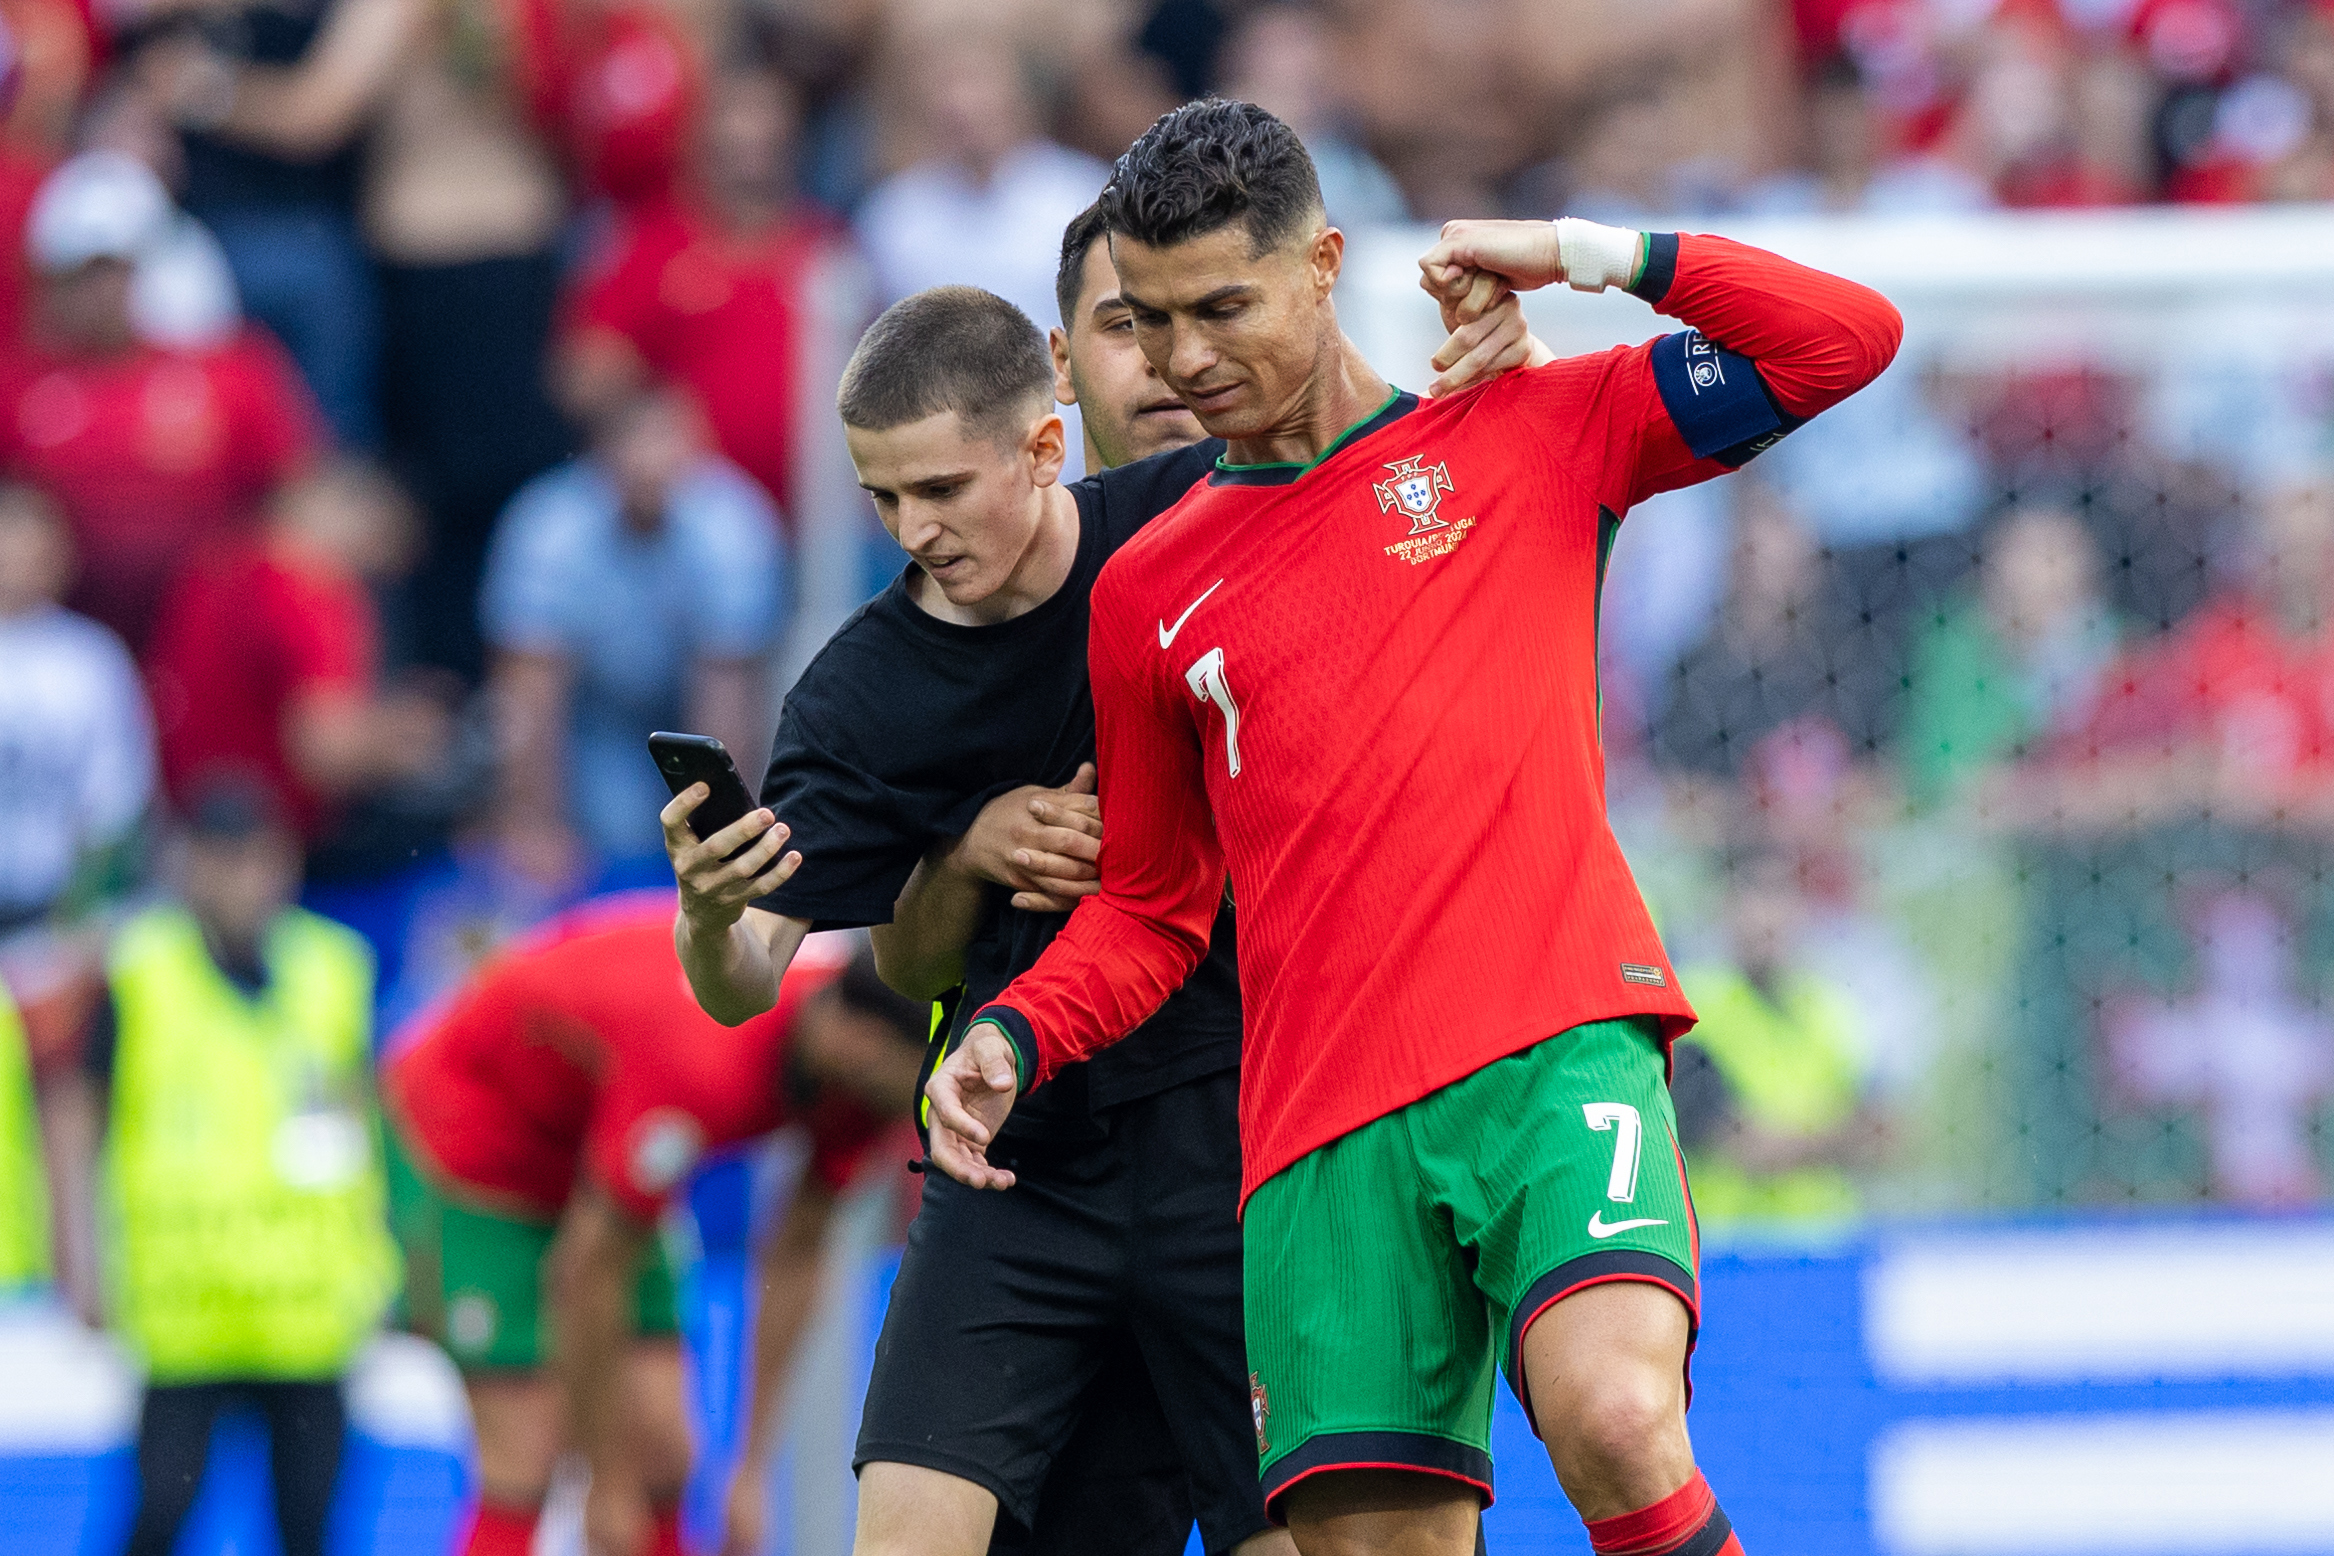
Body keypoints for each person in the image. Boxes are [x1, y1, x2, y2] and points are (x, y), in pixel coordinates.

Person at [921, 100, 1899, 1555]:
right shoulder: (1144, 593)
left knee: (1618, 1417)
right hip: (1317, 1141)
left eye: (1223, 308)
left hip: (1550, 1044)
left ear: (1323, 265)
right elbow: (1150, 904)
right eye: (1151, 318)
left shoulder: (1531, 429)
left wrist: (1583, 252)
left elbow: (1842, 339)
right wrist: (1013, 1031)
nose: (1186, 360)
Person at [658, 232, 1547, 1552]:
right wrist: (714, 908)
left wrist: (1503, 372)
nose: (915, 530)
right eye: (882, 497)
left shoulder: (1197, 524)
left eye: (942, 488)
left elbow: (1424, 496)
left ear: (1040, 440)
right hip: (1021, 1163)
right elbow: (740, 991)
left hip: (1247, 1139)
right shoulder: (854, 695)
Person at [380, 899, 927, 1556]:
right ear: (861, 1044)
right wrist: (602, 1480)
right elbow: (586, 1268)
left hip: (601, 1157)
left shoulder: (861, 1078)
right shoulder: (705, 1059)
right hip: (472, 1143)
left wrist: (749, 1470)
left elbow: (796, 1255)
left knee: (665, 1452)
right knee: (525, 1461)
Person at [75, 781, 396, 1556]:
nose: (243, 880)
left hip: (309, 1312)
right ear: (188, 867)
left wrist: (389, 1258)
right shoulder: (138, 973)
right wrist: (79, 1255)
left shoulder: (332, 969)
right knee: (157, 1521)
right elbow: (80, 1118)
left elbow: (367, 1123)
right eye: (223, 860)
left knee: (312, 1530)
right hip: (189, 1313)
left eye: (258, 859)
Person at [0, 151, 320, 653]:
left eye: (110, 271)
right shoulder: (20, 386)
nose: (98, 292)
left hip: (214, 638)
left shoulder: (233, 373)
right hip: (66, 639)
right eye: (81, 272)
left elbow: (296, 504)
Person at [481, 385, 784, 883]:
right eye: (636, 443)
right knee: (611, 833)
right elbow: (528, 695)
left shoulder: (735, 525)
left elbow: (727, 697)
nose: (651, 463)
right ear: (601, 452)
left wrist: (721, 838)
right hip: (591, 721)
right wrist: (533, 826)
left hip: (691, 716)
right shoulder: (545, 526)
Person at [147, 460, 450, 848]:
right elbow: (325, 752)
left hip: (185, 831)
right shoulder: (314, 588)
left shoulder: (211, 564)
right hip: (269, 849)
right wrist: (411, 736)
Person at [0, 483, 152, 932]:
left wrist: (80, 920)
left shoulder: (94, 659)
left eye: (36, 547)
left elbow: (116, 804)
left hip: (56, 914)